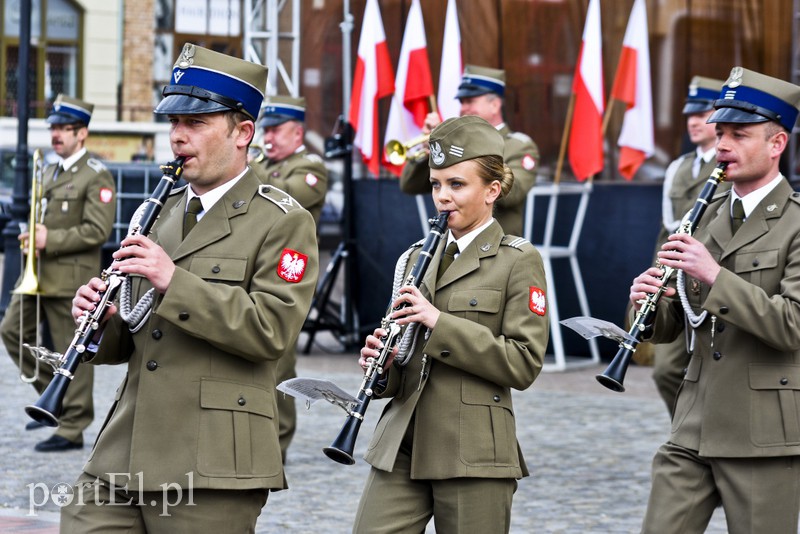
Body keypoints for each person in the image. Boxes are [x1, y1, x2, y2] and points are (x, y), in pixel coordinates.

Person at [62, 43, 319, 532]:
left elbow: (270, 331)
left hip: (212, 456)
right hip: (127, 444)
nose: (178, 137)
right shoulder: (159, 211)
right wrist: (102, 323)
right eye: (174, 123)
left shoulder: (283, 221)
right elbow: (135, 336)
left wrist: (173, 281)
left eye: (196, 123)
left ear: (243, 133)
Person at [353, 115, 549, 533]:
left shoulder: (518, 260)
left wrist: (439, 323)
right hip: (403, 439)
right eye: (436, 184)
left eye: (457, 185)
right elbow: (405, 361)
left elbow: (523, 363)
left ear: (492, 191)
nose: (442, 197)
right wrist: (383, 367)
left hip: (472, 447)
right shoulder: (414, 257)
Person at [631, 67, 800, 533]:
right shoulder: (702, 216)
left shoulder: (797, 224)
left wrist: (714, 275)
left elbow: (793, 325)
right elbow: (675, 323)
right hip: (693, 423)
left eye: (739, 135)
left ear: (776, 144)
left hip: (762, 431)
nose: (722, 144)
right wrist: (648, 304)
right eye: (720, 131)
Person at [0, 94, 116, 452]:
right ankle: (55, 400)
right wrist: (32, 237)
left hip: (71, 278)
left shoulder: (96, 175)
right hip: (37, 275)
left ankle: (73, 426)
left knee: (71, 351)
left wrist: (51, 239)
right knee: (12, 331)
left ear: (82, 134)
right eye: (53, 128)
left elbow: (98, 232)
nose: (56, 135)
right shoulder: (49, 170)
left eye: (64, 129)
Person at [252, 95, 329, 462]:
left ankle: (278, 441)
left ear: (297, 132)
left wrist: (246, 169)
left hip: (290, 270)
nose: (268, 137)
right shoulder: (262, 163)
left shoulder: (309, 167)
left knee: (280, 359)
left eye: (276, 130)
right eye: (265, 129)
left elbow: (285, 194)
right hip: (256, 265)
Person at [650, 76, 729, 418]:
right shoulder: (677, 168)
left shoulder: (732, 164)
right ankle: (685, 432)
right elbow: (667, 231)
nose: (694, 122)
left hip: (716, 277)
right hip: (677, 281)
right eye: (690, 115)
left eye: (704, 114)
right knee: (665, 370)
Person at [398, 65, 539, 236]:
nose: (464, 108)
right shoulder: (454, 143)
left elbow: (513, 193)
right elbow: (409, 185)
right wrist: (430, 147)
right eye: (462, 102)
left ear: (494, 105)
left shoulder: (520, 145)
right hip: (449, 244)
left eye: (471, 101)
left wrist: (470, 148)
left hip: (497, 249)